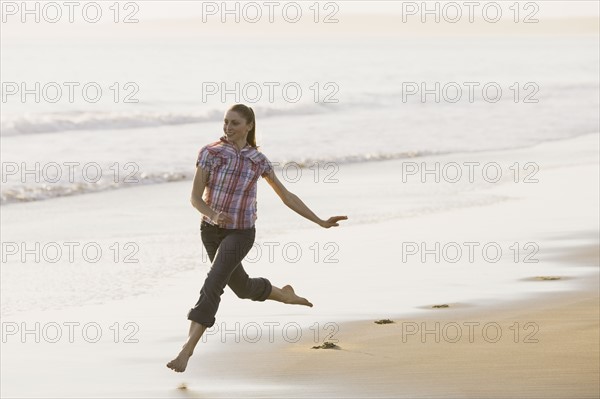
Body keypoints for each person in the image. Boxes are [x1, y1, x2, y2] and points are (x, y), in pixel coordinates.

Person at [167, 104, 348, 372]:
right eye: (226, 122)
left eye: (235, 123)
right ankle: (284, 295)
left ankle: (186, 350)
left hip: (241, 233)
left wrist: (320, 221)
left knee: (214, 281)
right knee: (240, 287)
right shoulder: (210, 153)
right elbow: (195, 198)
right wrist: (214, 215)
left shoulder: (258, 160)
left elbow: (287, 196)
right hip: (210, 230)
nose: (228, 128)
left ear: (249, 125)